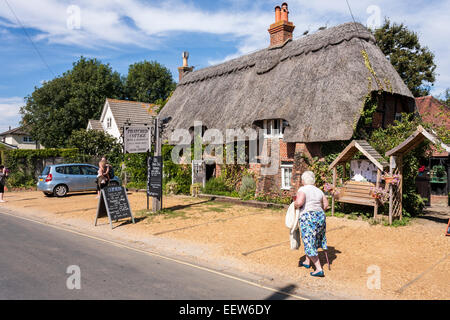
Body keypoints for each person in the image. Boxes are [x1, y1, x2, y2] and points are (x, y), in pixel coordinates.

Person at [294, 171, 329, 277]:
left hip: (308, 217)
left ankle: (319, 268)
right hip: (320, 217)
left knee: (308, 241)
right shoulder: (319, 191)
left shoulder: (302, 189)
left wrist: (294, 204)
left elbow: (299, 203)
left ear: (303, 180)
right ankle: (307, 262)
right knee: (314, 239)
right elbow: (326, 205)